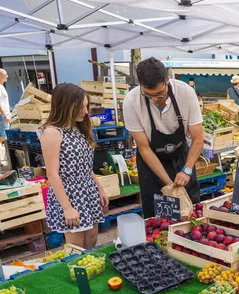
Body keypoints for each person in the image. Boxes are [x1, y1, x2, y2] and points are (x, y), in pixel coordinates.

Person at [123, 57, 203, 218]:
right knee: (157, 218)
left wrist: (186, 170)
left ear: (167, 79)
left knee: (191, 213)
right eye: (148, 94)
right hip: (152, 165)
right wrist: (170, 185)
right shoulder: (131, 101)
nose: (154, 99)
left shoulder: (186, 92)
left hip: (181, 158)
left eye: (159, 94)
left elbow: (198, 138)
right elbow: (144, 148)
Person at [40, 83, 107, 248]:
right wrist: (67, 208)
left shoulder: (80, 128)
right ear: (65, 106)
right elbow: (52, 174)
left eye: (86, 106)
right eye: (80, 107)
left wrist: (99, 188)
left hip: (88, 190)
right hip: (69, 193)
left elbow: (85, 164)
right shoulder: (52, 132)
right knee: (76, 246)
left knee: (91, 240)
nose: (85, 112)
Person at [0, 69, 9, 138]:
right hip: (2, 116)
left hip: (4, 115)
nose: (7, 76)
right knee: (3, 136)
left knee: (4, 135)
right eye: (5, 75)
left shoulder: (2, 86)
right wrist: (4, 115)